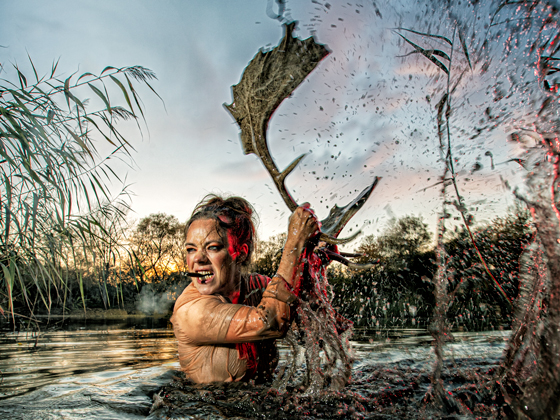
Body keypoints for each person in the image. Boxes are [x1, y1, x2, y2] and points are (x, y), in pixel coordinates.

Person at [170, 194, 320, 383]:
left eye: (213, 247)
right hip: (208, 410)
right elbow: (271, 321)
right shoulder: (191, 312)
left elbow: (309, 314)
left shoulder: (257, 287)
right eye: (191, 249)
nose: (197, 259)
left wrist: (314, 258)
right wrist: (295, 243)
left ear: (241, 253)